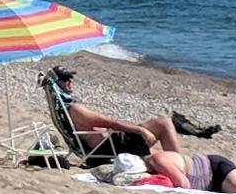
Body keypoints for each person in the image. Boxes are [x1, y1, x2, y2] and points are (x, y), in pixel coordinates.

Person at [50, 68, 182, 159]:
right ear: (57, 85)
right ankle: (180, 164)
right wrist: (142, 130)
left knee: (159, 153)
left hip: (108, 145)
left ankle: (176, 162)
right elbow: (110, 123)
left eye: (71, 78)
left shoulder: (64, 108)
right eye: (66, 79)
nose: (70, 81)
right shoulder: (74, 109)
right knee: (163, 122)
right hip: (108, 148)